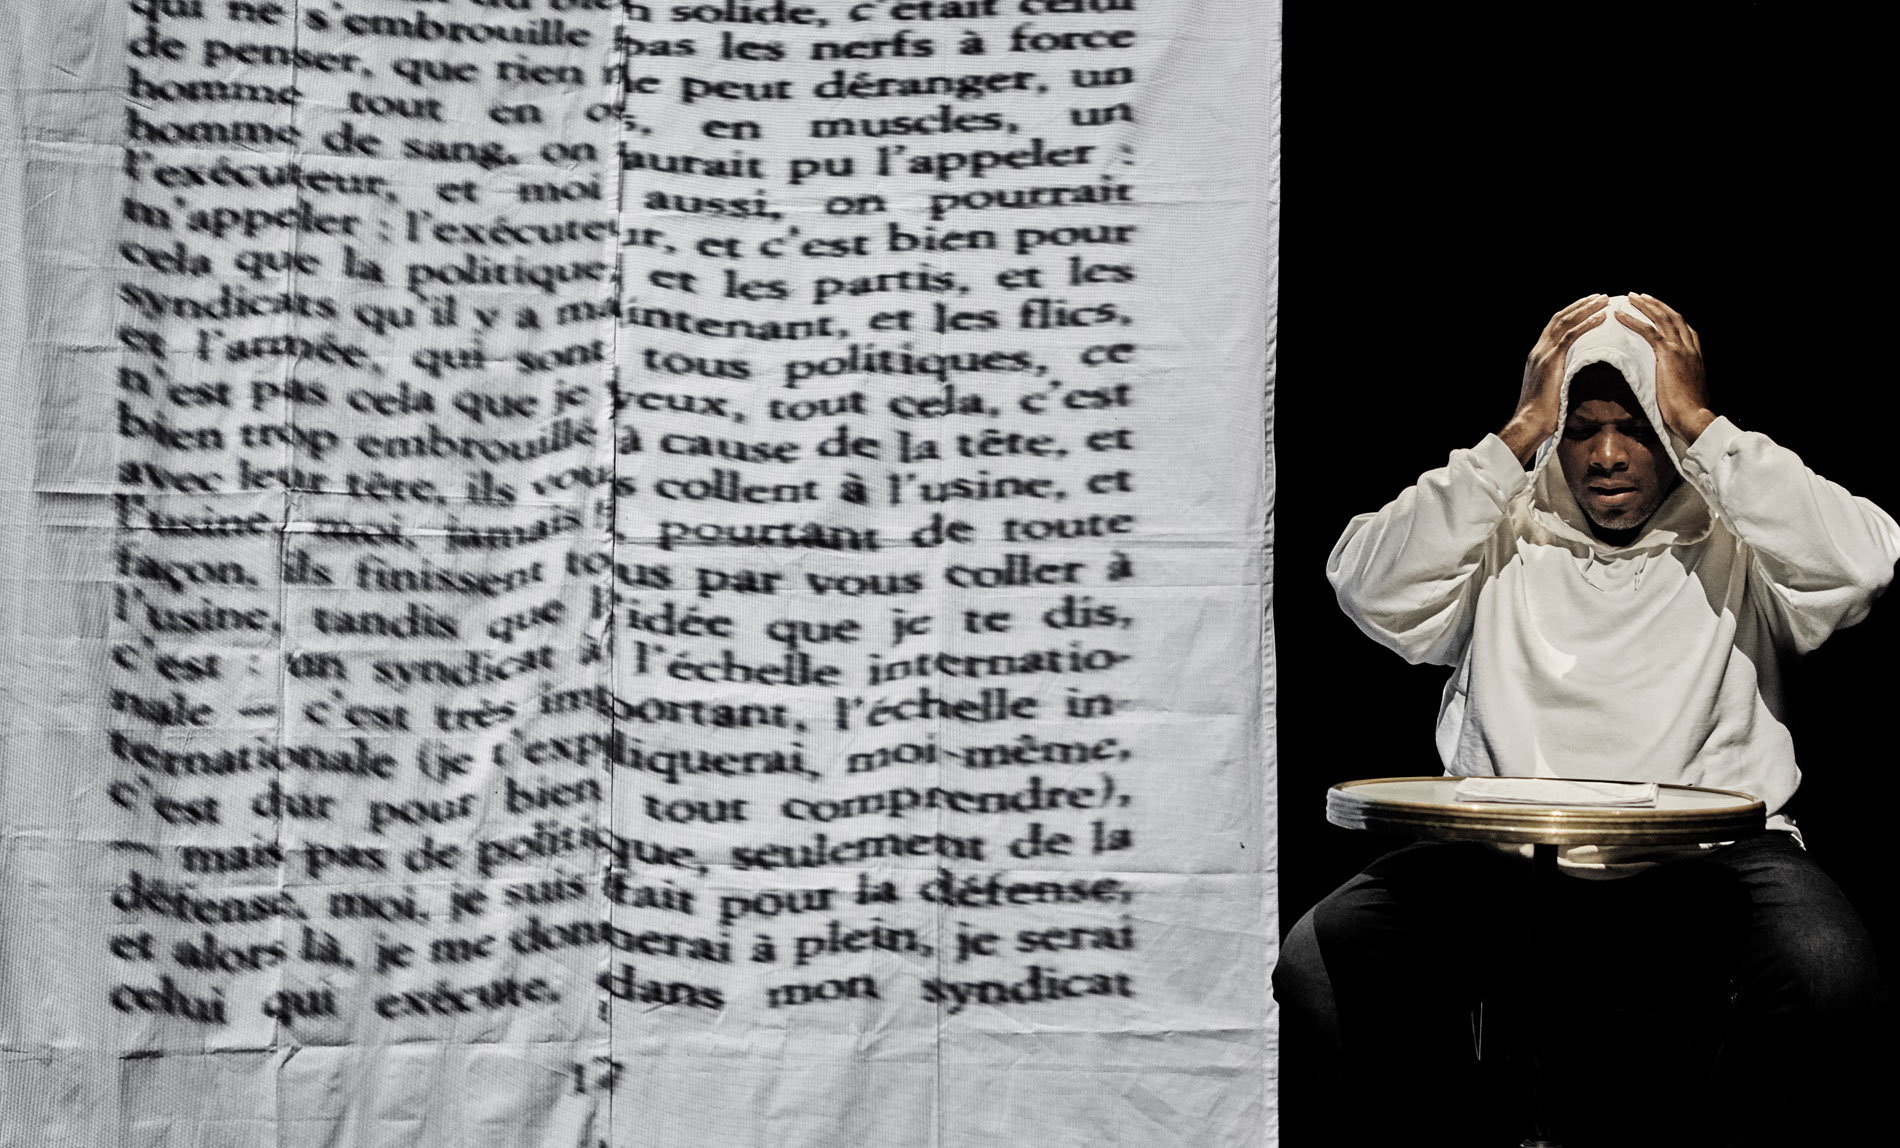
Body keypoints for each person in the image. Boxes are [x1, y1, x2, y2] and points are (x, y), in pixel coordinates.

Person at [1274, 293, 1899, 1146]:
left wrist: (1701, 424)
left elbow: (1862, 565)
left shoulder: (1741, 536)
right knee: (1320, 956)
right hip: (1505, 859)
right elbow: (1364, 584)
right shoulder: (1501, 529)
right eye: (1581, 430)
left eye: (1638, 428)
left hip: (1710, 862)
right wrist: (1517, 435)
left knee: (1828, 973)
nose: (1607, 456)